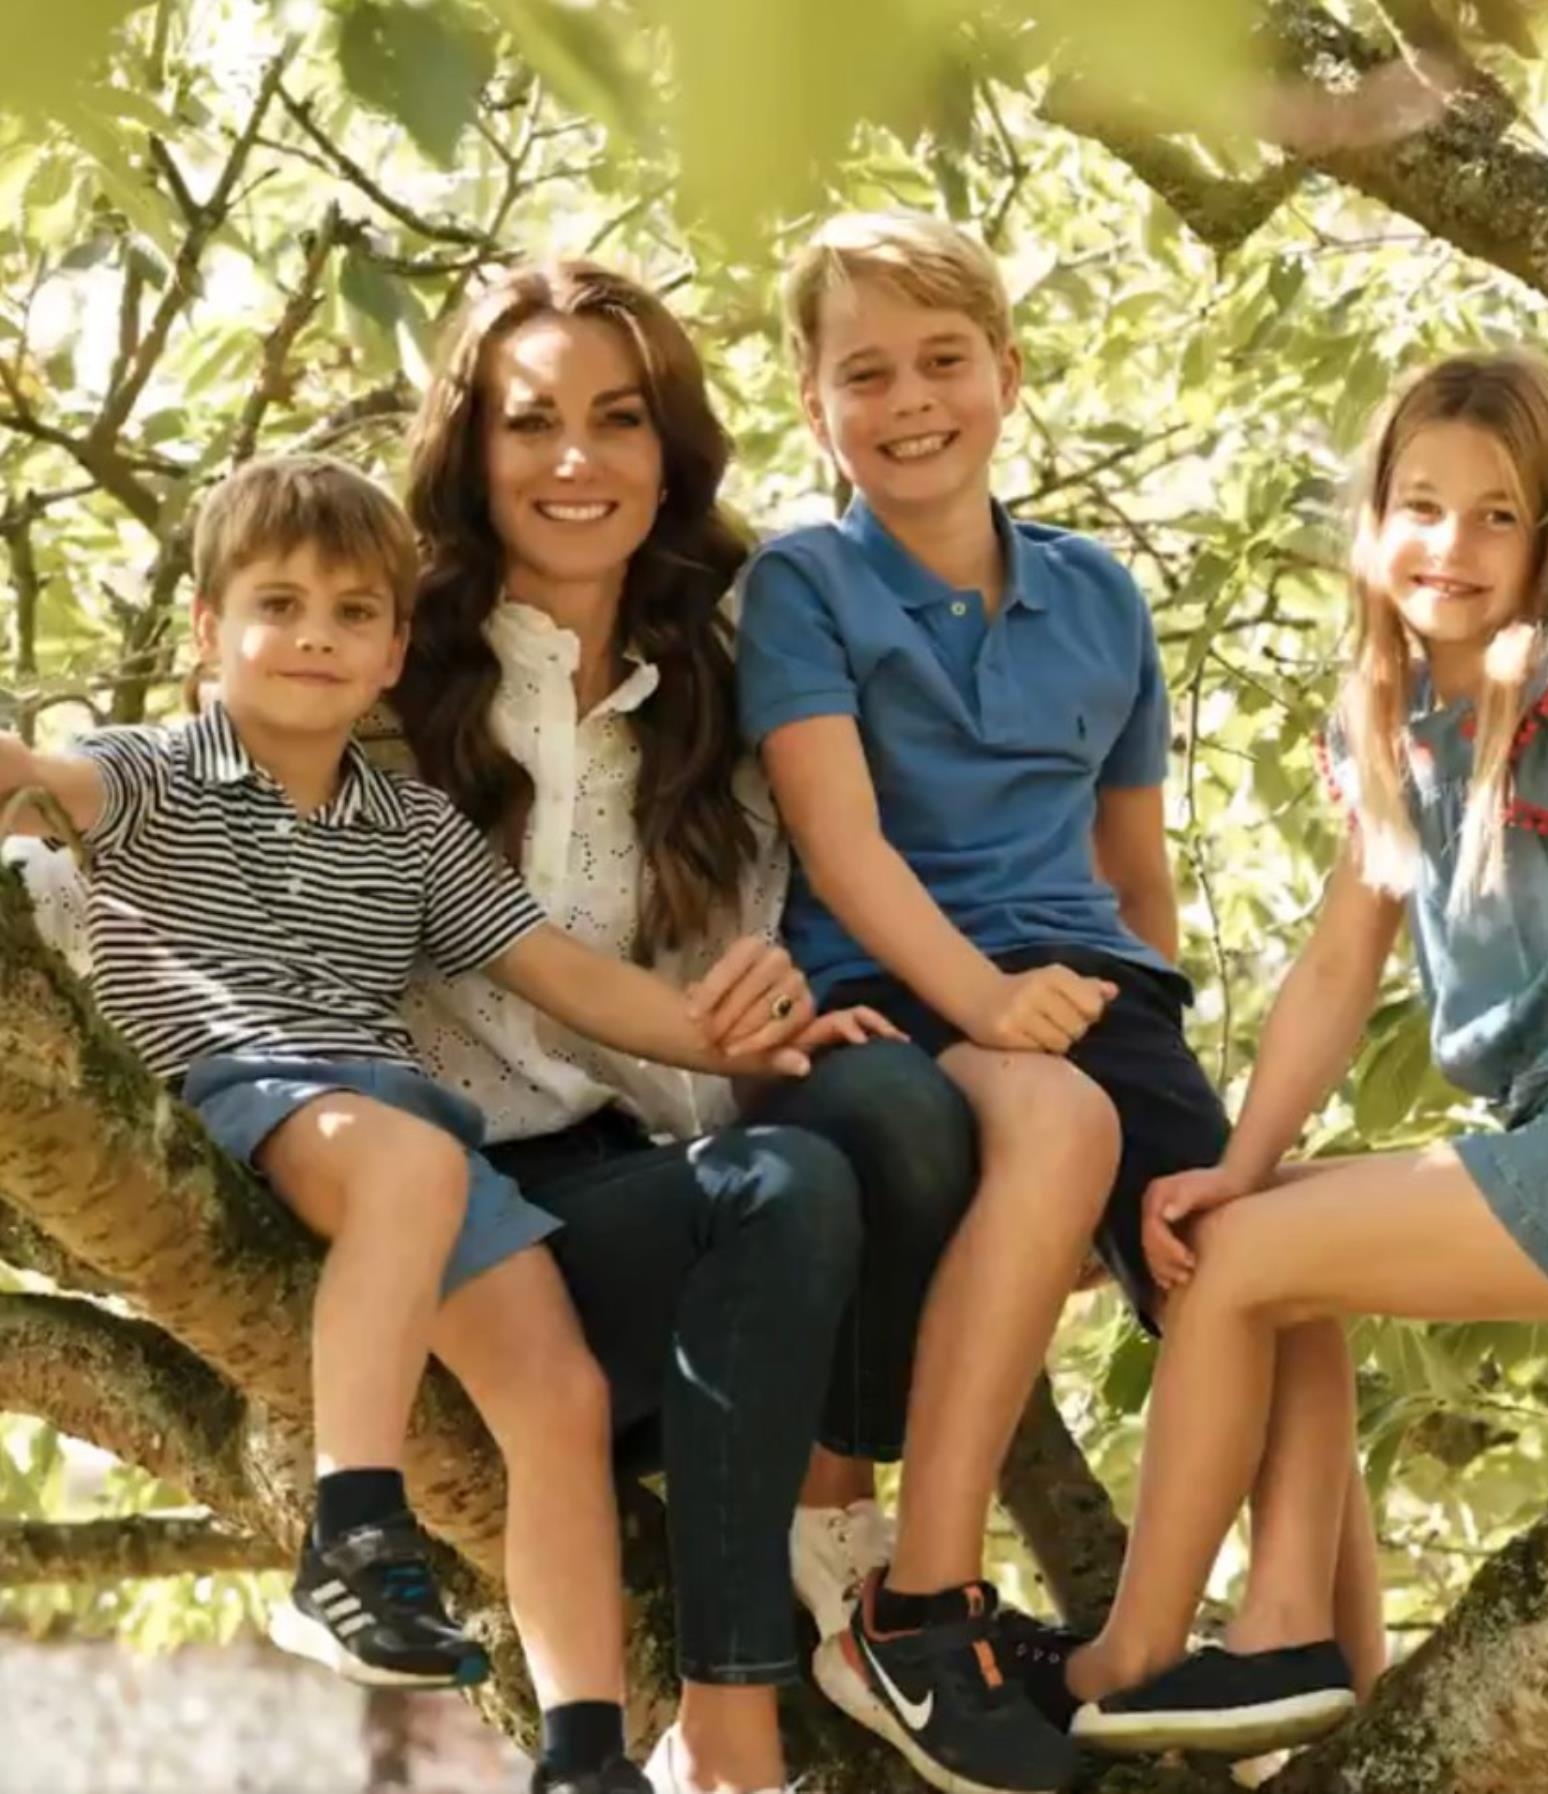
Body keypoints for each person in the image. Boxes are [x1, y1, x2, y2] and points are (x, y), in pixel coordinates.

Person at [0, 454, 894, 1794]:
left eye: (354, 612)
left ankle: (584, 1748)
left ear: (396, 647)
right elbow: (32, 778)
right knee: (417, 1152)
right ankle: (350, 1529)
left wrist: (740, 1035)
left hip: (396, 1131)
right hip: (246, 1094)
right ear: (205, 633)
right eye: (278, 603)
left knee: (563, 1397)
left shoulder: (412, 828)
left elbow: (571, 979)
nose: (314, 635)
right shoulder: (153, 772)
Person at [1047, 331, 1548, 1759]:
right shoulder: (1395, 716)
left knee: (1247, 1267)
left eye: (1497, 512)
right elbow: (1333, 969)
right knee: (1260, 1235)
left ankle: (1137, 1647)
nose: (1453, 542)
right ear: (1374, 524)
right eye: (1422, 506)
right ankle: (1311, 1662)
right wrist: (1237, 1165)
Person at [736, 213, 1371, 1794]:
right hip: (897, 980)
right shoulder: (804, 587)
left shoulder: (1101, 597)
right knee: (1063, 1116)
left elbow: (1130, 870)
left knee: (1265, 1244)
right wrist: (989, 1002)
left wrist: (1170, 1079)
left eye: (944, 361)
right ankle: (920, 1602)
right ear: (816, 407)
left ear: (1007, 377)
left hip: (1095, 989)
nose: (910, 400)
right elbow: (841, 840)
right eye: (864, 373)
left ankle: (1305, 1638)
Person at [384, 260, 981, 1794]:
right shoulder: (392, 668)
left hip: (690, 1207)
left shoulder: (726, 665)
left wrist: (773, 1006)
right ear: (473, 451)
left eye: (618, 419)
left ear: (671, 450)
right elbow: (189, 797)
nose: (577, 460)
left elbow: (779, 936)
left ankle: (837, 1536)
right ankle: (729, 1730)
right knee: (778, 1191)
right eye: (533, 424)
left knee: (879, 1117)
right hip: (492, 1223)